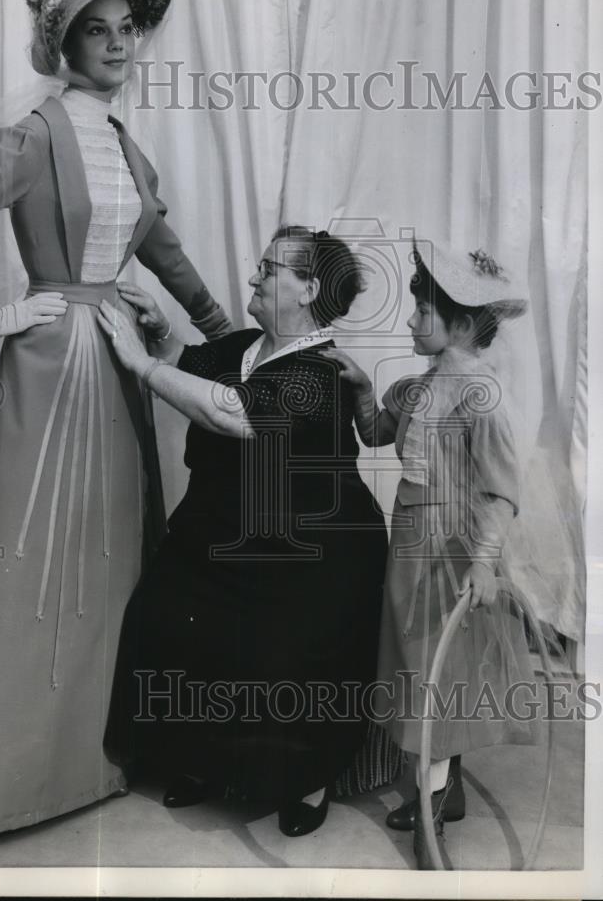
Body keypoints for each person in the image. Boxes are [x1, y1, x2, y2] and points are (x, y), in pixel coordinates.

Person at [0, 0, 231, 835]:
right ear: (61, 40)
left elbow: (162, 247)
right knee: (32, 561)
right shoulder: (35, 134)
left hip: (116, 362)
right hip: (48, 368)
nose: (117, 44)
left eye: (127, 27)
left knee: (111, 556)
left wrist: (225, 332)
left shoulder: (120, 143)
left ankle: (94, 762)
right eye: (95, 28)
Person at [99, 226, 389, 837]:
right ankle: (203, 760)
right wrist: (162, 334)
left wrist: (141, 363)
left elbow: (235, 412)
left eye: (269, 269)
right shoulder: (249, 345)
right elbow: (202, 365)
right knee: (167, 612)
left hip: (312, 549)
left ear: (309, 288)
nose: (254, 277)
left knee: (283, 656)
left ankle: (305, 777)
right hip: (231, 527)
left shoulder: (322, 370)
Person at [323, 242, 539, 868]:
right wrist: (365, 388)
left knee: (437, 675)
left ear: (464, 326)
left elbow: (500, 490)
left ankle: (430, 811)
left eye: (423, 313)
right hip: (411, 541)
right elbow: (374, 433)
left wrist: (483, 560)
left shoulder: (481, 396)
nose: (412, 322)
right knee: (421, 669)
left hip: (451, 547)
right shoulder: (416, 388)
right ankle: (447, 794)